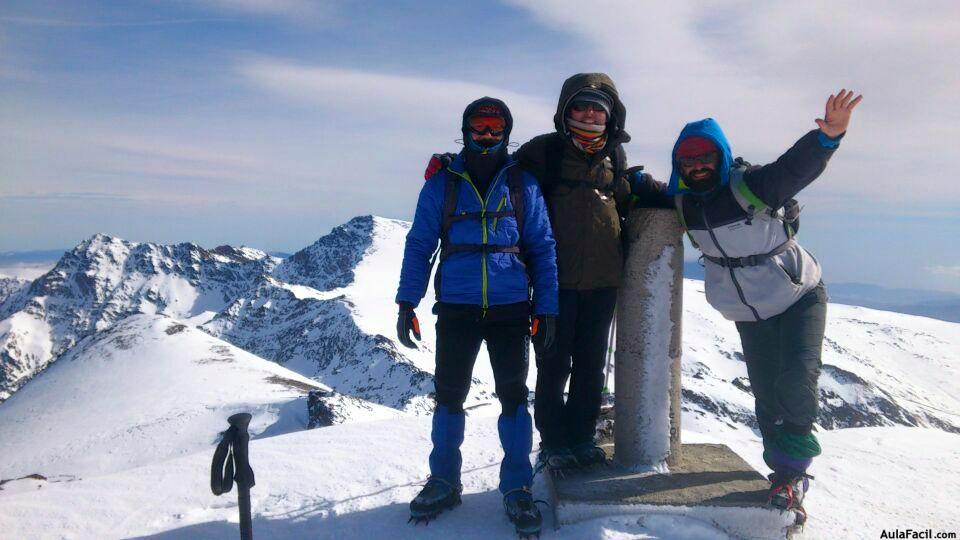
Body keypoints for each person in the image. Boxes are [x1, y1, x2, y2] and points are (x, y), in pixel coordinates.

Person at [424, 74, 669, 472]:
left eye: (598, 107)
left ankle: (582, 437)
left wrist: (690, 194)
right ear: (565, 110)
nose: (589, 113)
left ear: (611, 114)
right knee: (553, 364)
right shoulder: (545, 152)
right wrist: (450, 165)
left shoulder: (615, 159)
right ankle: (554, 441)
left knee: (590, 365)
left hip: (604, 281)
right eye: (580, 105)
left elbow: (631, 190)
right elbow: (496, 166)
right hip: (557, 281)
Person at [644, 89, 862, 518]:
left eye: (705, 157)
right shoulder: (682, 202)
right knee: (766, 393)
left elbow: (793, 169)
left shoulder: (752, 186)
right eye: (687, 161)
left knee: (796, 379)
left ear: (721, 157)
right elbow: (644, 190)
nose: (697, 166)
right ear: (678, 165)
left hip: (799, 296)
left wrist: (828, 137)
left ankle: (795, 473)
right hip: (749, 313)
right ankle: (781, 474)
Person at [395, 97, 559, 537]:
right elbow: (419, 244)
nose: (486, 136)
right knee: (449, 394)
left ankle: (517, 487)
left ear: (507, 133)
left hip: (510, 309)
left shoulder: (523, 184)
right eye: (479, 127)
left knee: (511, 395)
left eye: (495, 128)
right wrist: (406, 301)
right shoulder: (442, 185)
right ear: (464, 130)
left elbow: (542, 247)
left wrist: (546, 307)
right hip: (457, 308)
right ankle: (444, 480)